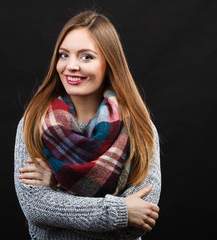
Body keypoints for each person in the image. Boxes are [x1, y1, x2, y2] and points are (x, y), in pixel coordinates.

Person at [14, 10, 161, 239]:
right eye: (64, 55)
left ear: (109, 63)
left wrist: (58, 187)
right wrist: (120, 210)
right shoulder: (34, 123)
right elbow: (36, 208)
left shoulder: (140, 128)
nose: (71, 66)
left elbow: (138, 222)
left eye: (86, 57)